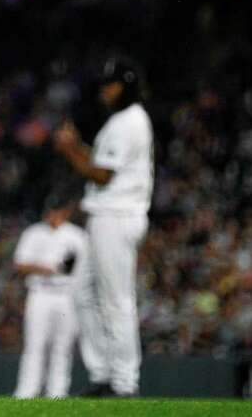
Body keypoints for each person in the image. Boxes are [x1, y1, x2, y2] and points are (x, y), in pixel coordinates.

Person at [52, 56, 153, 397]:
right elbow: (98, 164)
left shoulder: (129, 121)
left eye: (111, 85)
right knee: (82, 291)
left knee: (117, 300)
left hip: (118, 216)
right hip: (107, 215)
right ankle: (103, 372)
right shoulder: (122, 120)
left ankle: (124, 382)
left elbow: (100, 174)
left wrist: (69, 150)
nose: (105, 90)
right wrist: (77, 145)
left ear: (126, 87)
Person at [12, 193, 89, 399]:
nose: (52, 214)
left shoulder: (77, 236)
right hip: (40, 292)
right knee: (34, 343)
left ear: (66, 212)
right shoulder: (34, 232)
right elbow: (20, 265)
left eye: (56, 210)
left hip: (67, 295)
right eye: (49, 210)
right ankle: (27, 391)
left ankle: (58, 392)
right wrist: (47, 268)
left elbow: (81, 270)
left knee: (62, 346)